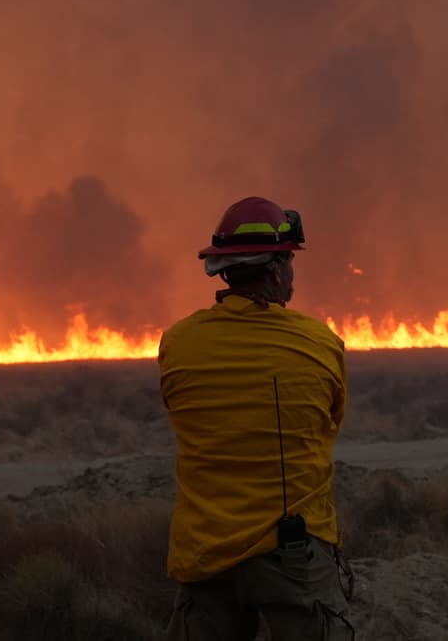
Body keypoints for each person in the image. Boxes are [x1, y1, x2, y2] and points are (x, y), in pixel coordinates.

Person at [159, 196, 354, 640]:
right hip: (294, 553)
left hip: (206, 551)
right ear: (276, 268)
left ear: (224, 268)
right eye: (289, 261)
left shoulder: (179, 343)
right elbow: (329, 424)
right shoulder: (319, 343)